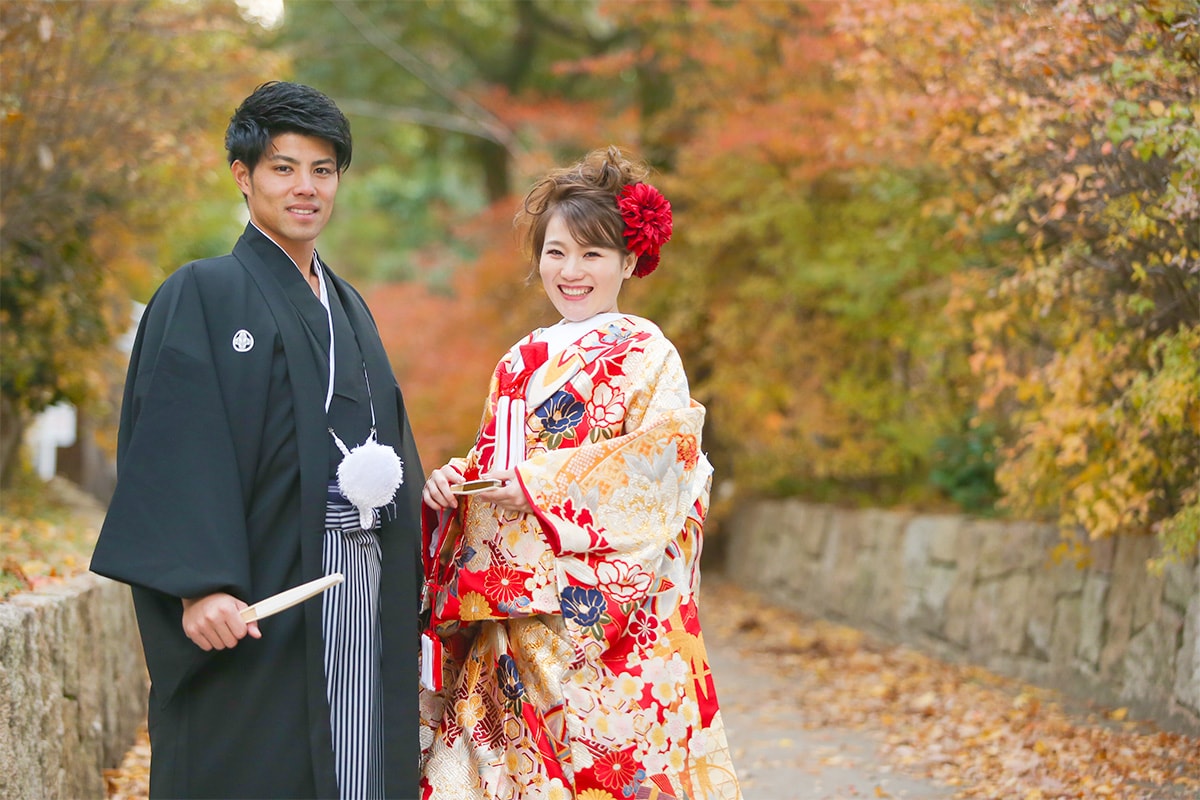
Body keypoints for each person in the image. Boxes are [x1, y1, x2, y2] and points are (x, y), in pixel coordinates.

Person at [90, 81, 424, 800]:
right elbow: (174, 444)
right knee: (253, 765)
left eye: (323, 170)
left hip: (357, 584)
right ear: (243, 177)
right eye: (283, 167)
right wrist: (197, 583)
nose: (305, 187)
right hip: (261, 594)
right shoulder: (202, 293)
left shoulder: (350, 306)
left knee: (359, 763)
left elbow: (388, 442)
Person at [418, 146, 741, 799]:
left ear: (628, 261)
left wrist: (543, 486)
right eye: (556, 251)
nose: (572, 270)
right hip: (509, 614)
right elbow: (496, 460)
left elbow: (665, 471)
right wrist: (454, 483)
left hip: (602, 617)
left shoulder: (649, 354)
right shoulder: (519, 360)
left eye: (593, 254)